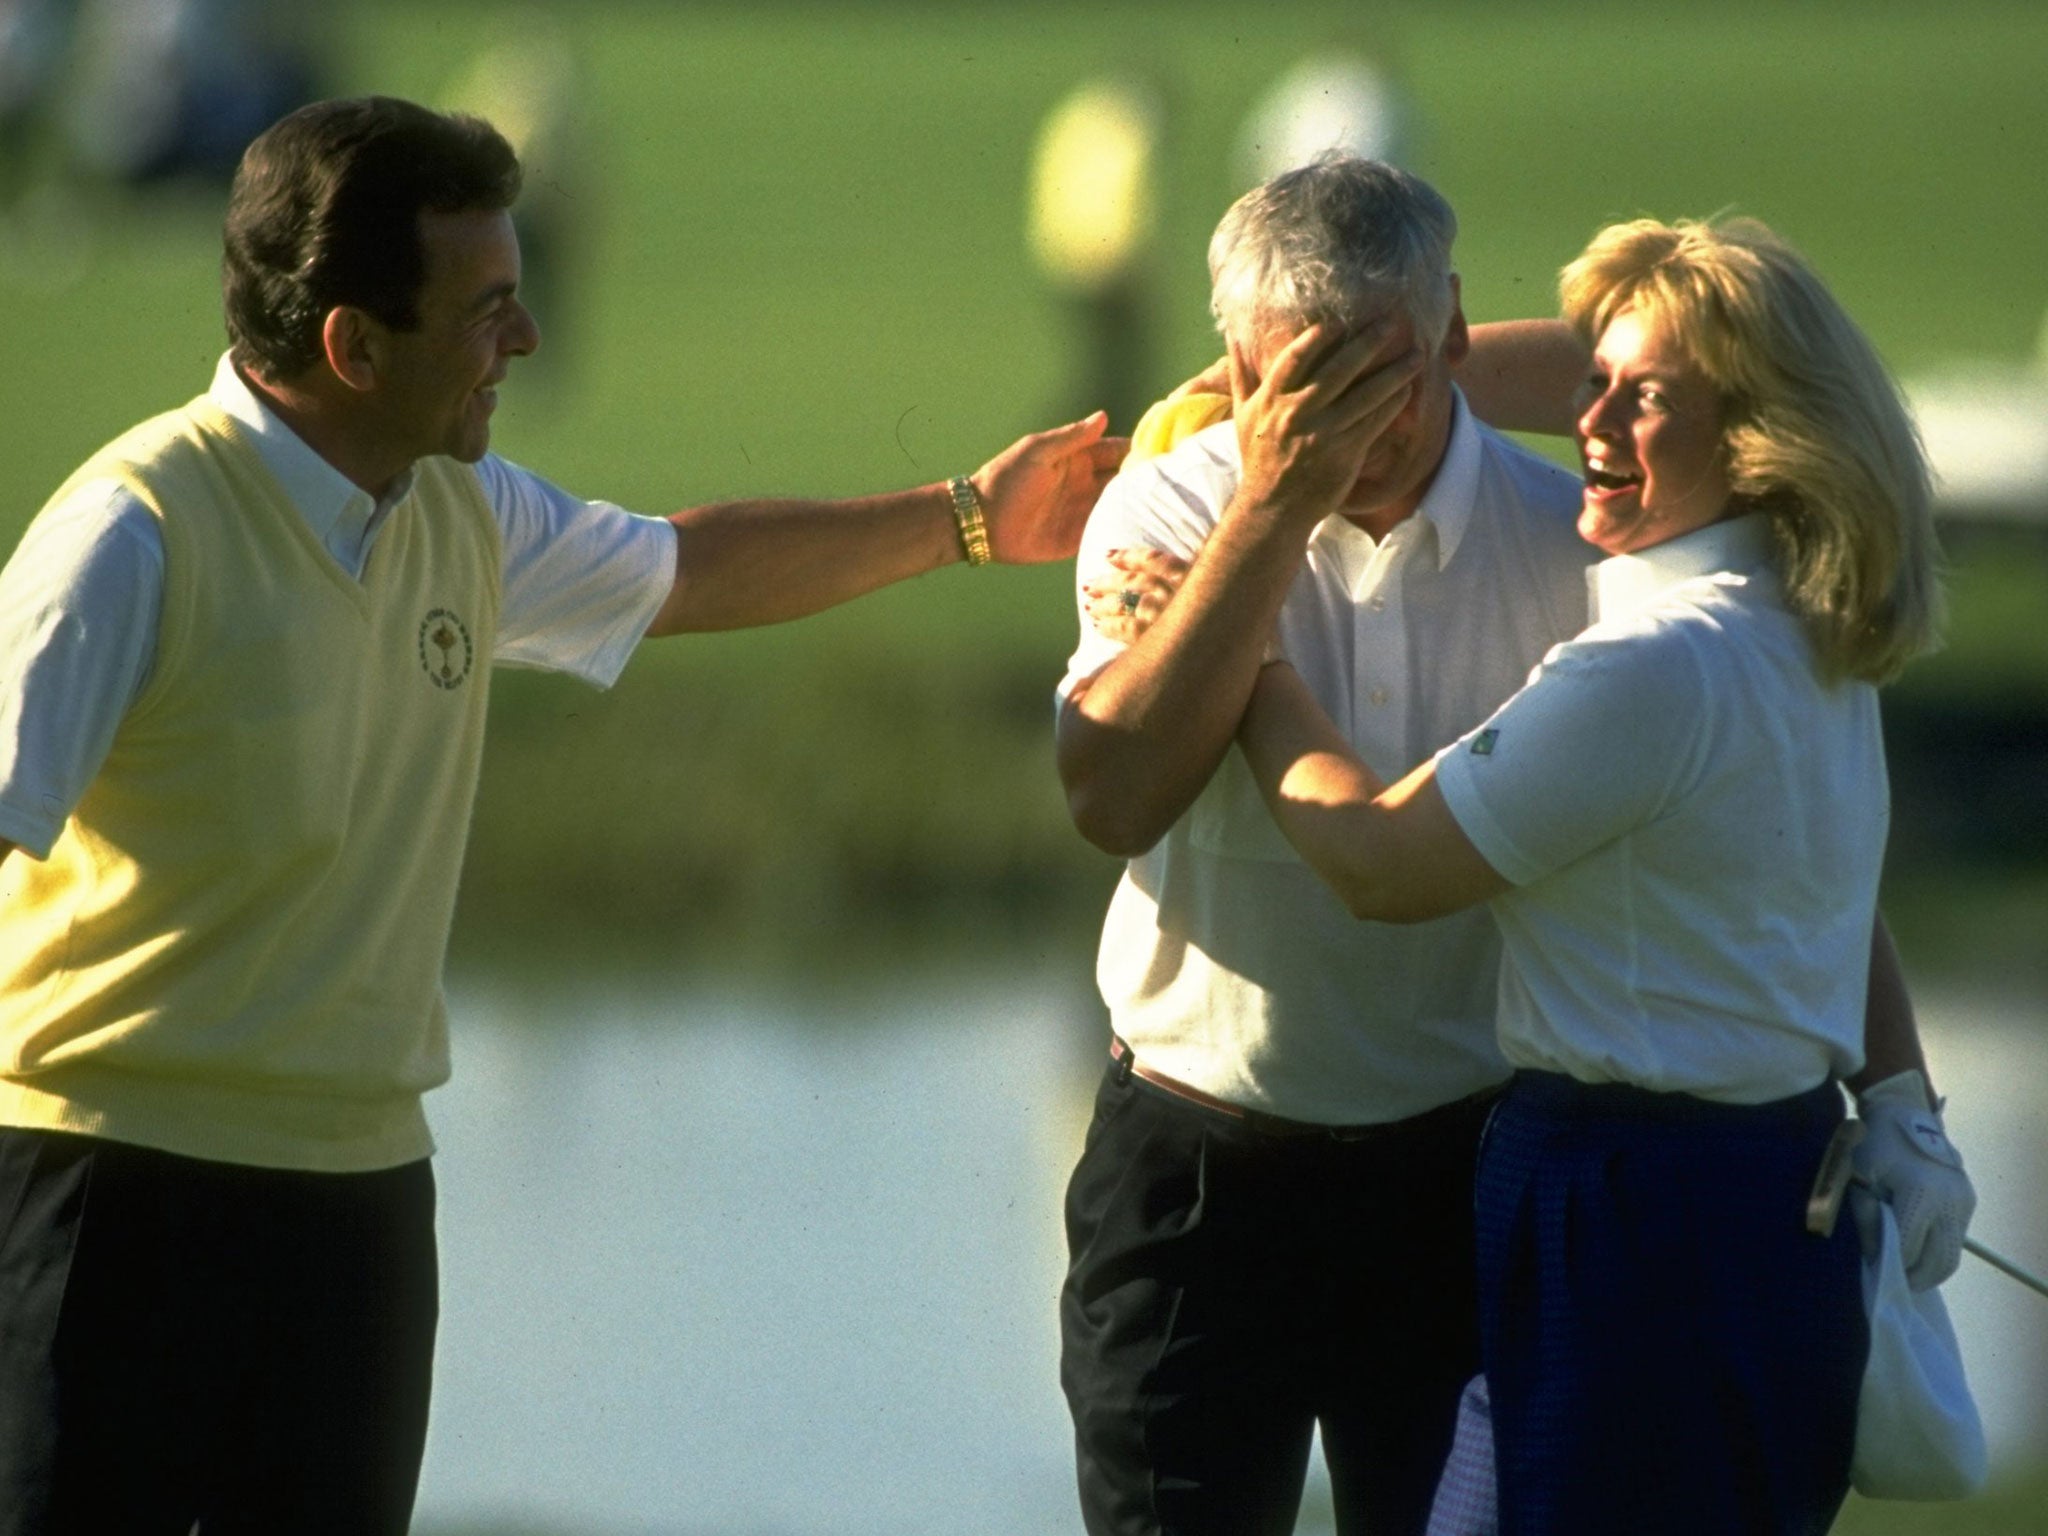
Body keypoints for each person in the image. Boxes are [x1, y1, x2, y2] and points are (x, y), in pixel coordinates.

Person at [0, 95, 1120, 1534]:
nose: (525, 342)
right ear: (352, 346)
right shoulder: (133, 533)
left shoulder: (453, 512)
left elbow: (684, 572)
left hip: (354, 1200)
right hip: (109, 1186)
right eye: (488, 311)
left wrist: (971, 515)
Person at [1221, 214, 1971, 1534]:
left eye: (1646, 398)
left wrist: (1253, 658)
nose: (1594, 422)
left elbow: (1380, 862)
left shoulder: (1649, 671)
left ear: (1756, 437)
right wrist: (1354, 383)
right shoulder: (1795, 626)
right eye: (1594, 382)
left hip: (1633, 1222)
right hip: (1772, 1198)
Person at [1052, 155, 1604, 1536]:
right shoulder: (1169, 513)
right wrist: (1271, 510)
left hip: (1457, 1175)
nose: (1369, 419)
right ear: (1240, 371)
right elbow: (1115, 794)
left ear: (1460, 328)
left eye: (1395, 371)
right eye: (1316, 381)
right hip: (1192, 1172)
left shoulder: (1572, 548)